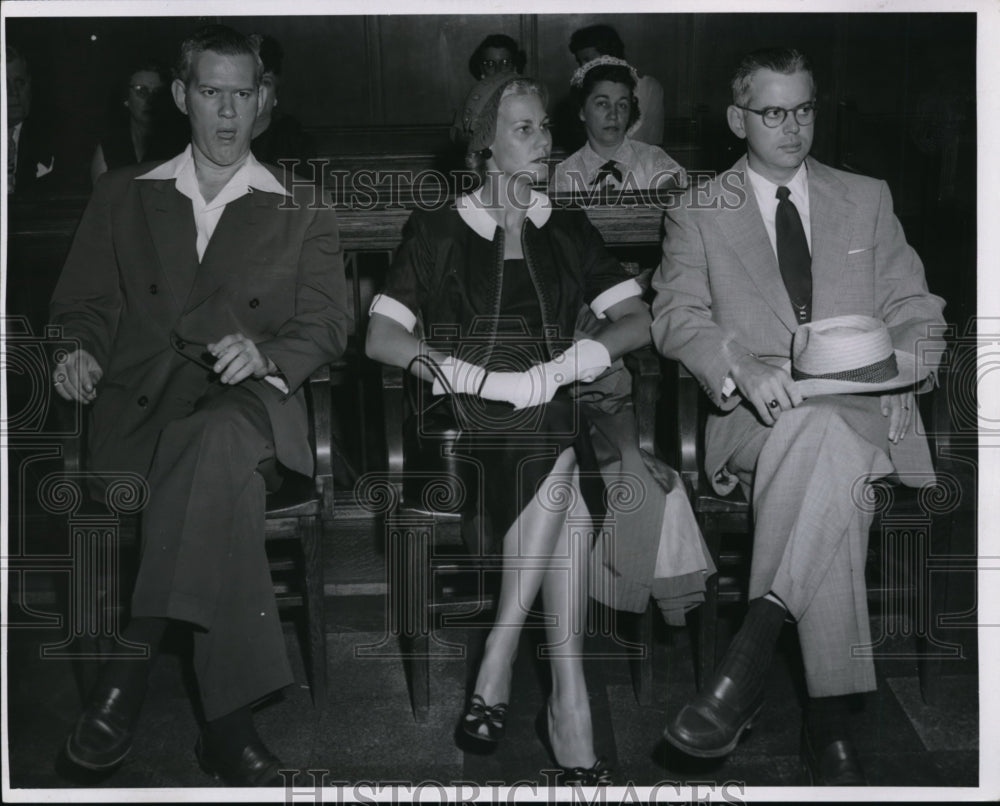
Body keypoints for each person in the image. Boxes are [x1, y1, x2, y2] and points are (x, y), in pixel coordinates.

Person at [51, 24, 349, 785]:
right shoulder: (124, 194)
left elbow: (326, 325)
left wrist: (268, 354)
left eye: (241, 95)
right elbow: (82, 305)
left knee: (216, 437)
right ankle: (228, 726)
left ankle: (127, 667)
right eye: (210, 93)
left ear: (264, 102)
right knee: (210, 474)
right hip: (142, 415)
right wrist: (76, 351)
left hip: (250, 407)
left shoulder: (300, 205)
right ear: (182, 96)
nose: (226, 114)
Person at [651, 47, 946, 785]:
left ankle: (745, 666)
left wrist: (908, 365)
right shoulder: (697, 210)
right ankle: (831, 723)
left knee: (828, 441)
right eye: (773, 111)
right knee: (821, 453)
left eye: (804, 108)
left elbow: (918, 311)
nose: (792, 126)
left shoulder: (865, 196)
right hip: (760, 415)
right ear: (736, 118)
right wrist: (739, 367)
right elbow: (676, 317)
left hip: (869, 408)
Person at [366, 72, 651, 785]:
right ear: (486, 146)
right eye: (524, 128)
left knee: (561, 463)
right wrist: (471, 376)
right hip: (458, 431)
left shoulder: (567, 226)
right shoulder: (437, 229)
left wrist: (569, 364)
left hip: (550, 424)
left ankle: (517, 662)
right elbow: (380, 337)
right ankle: (565, 704)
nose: (544, 142)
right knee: (567, 478)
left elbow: (639, 320)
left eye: (546, 128)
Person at [553, 56, 684, 194]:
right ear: (582, 111)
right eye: (602, 103)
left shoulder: (654, 161)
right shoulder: (566, 174)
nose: (614, 115)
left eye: (622, 105)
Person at [569, 24, 664, 146]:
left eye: (587, 60)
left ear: (608, 55)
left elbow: (653, 137)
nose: (583, 67)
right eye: (580, 62)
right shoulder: (583, 89)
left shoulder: (648, 87)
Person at [90, 62, 181, 184]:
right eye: (141, 91)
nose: (150, 99)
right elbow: (102, 200)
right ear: (126, 98)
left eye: (157, 92)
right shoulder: (110, 149)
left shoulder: (178, 148)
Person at [248, 33, 316, 171]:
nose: (257, 91)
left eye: (265, 82)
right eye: (249, 82)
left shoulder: (293, 141)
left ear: (276, 94)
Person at [6, 44, 57, 196]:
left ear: (30, 84)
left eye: (19, 83)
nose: (13, 92)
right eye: (3, 84)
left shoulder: (55, 136)